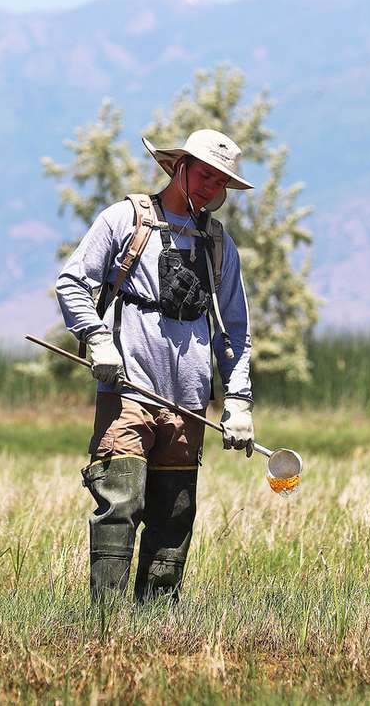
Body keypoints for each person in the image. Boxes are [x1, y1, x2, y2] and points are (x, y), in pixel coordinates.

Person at [56, 129, 255, 604]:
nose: (210, 187)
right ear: (179, 166)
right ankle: (104, 624)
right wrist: (97, 339)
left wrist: (239, 402)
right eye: (205, 173)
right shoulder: (124, 219)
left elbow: (235, 332)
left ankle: (157, 629)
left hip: (189, 403)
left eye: (220, 181)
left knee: (174, 513)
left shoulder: (217, 244)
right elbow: (71, 282)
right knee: (120, 500)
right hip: (127, 392)